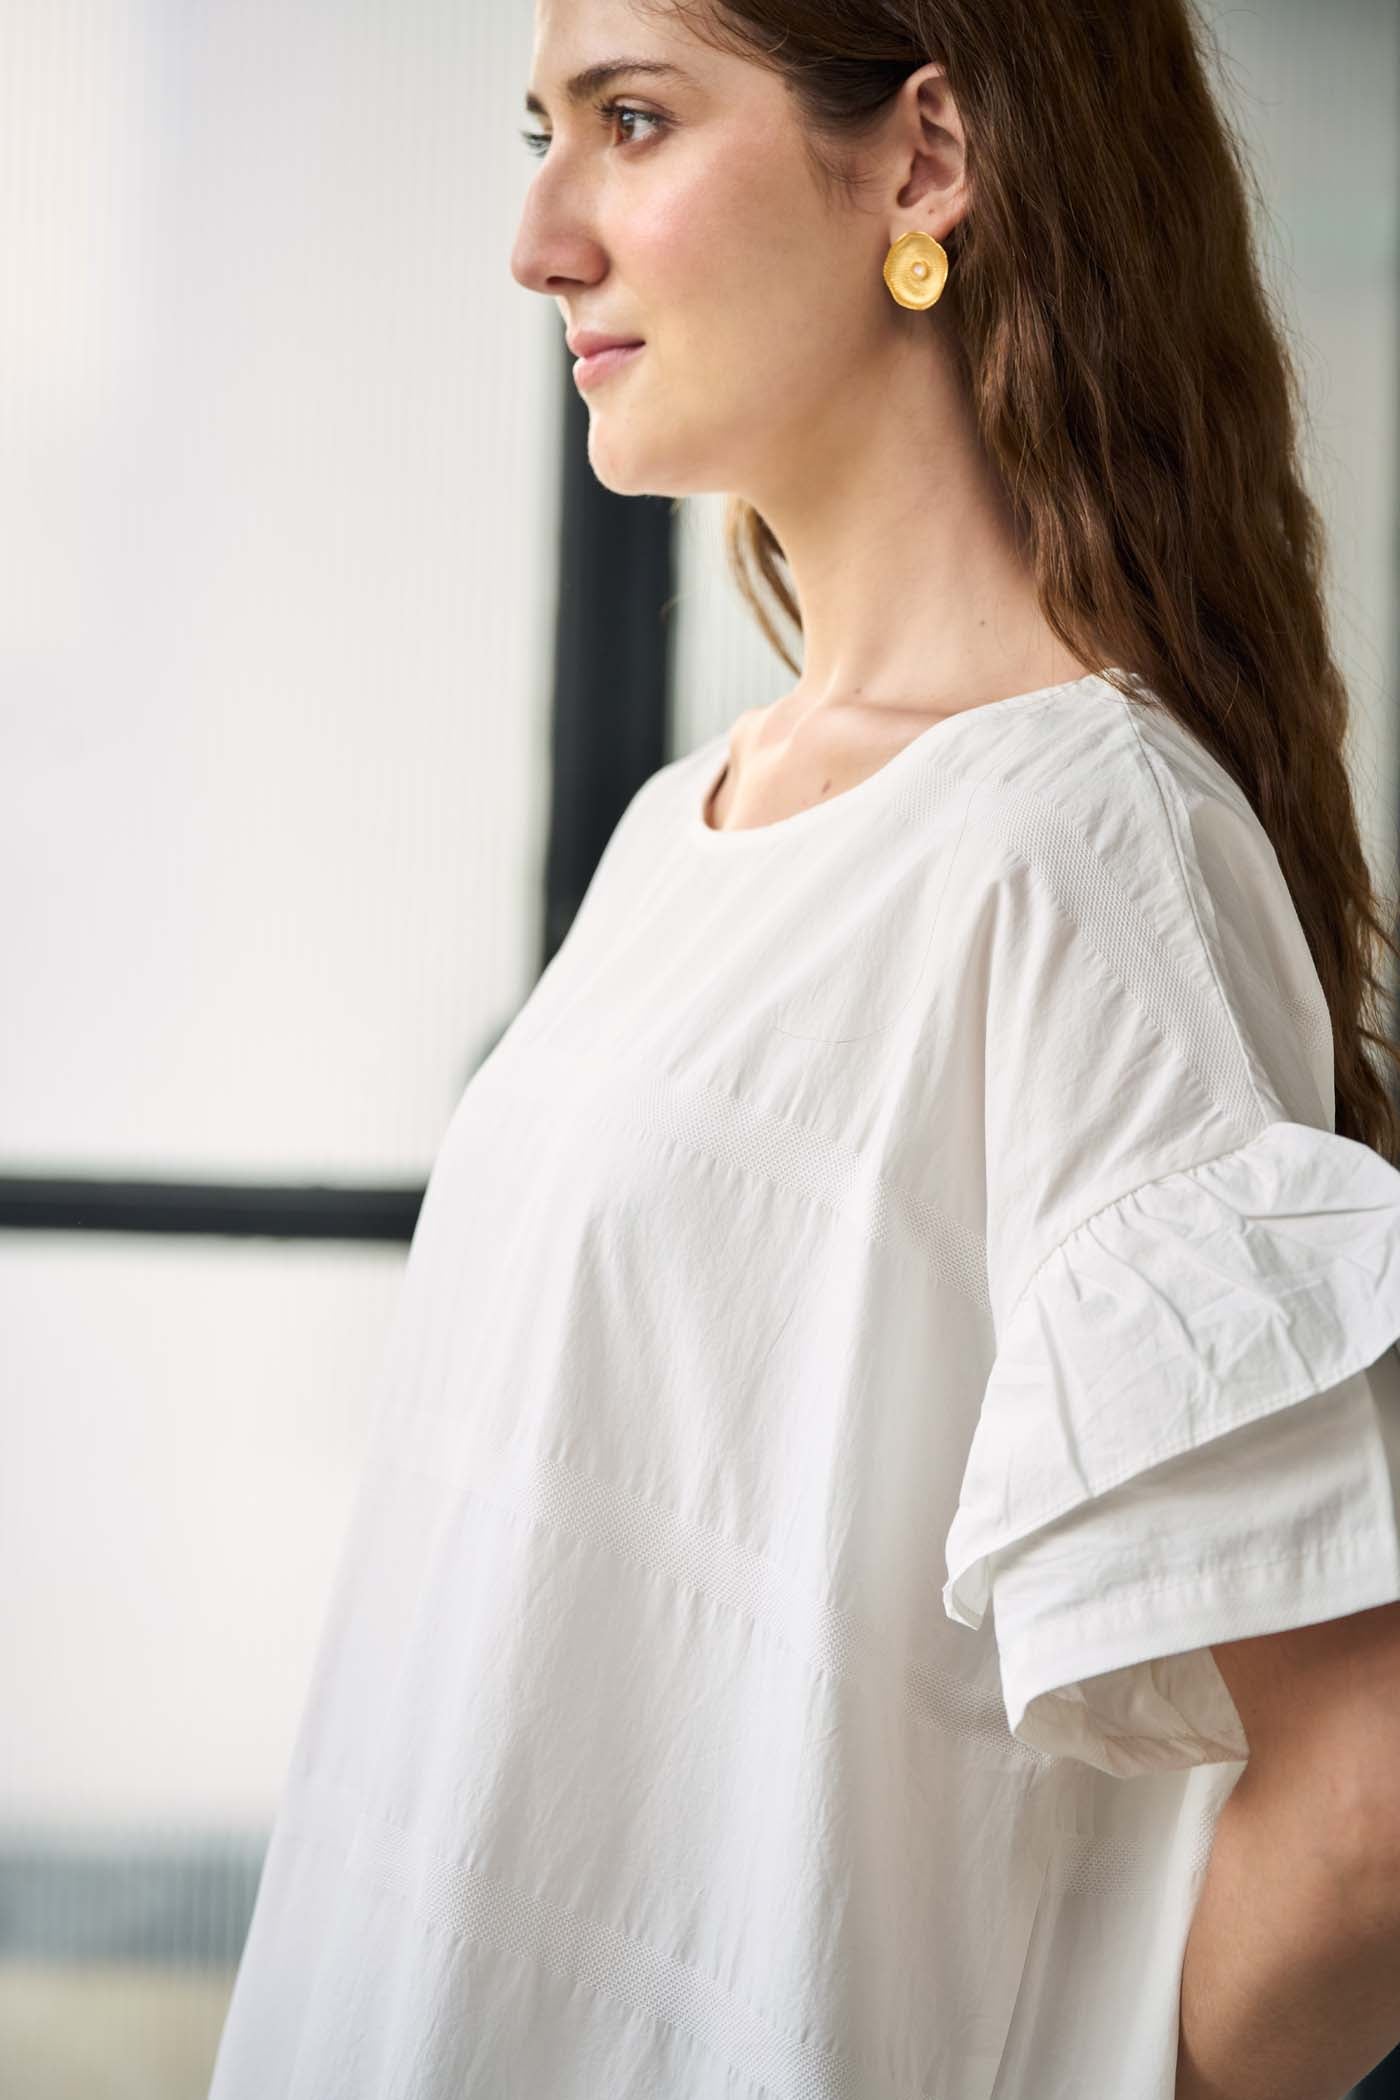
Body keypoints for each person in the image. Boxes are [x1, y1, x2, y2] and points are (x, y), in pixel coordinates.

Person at [207, 3, 1400, 2097]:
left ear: (926, 159)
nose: (539, 237)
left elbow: (1363, 1800)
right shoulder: (688, 830)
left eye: (632, 123)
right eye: (539, 131)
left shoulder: (1072, 859)